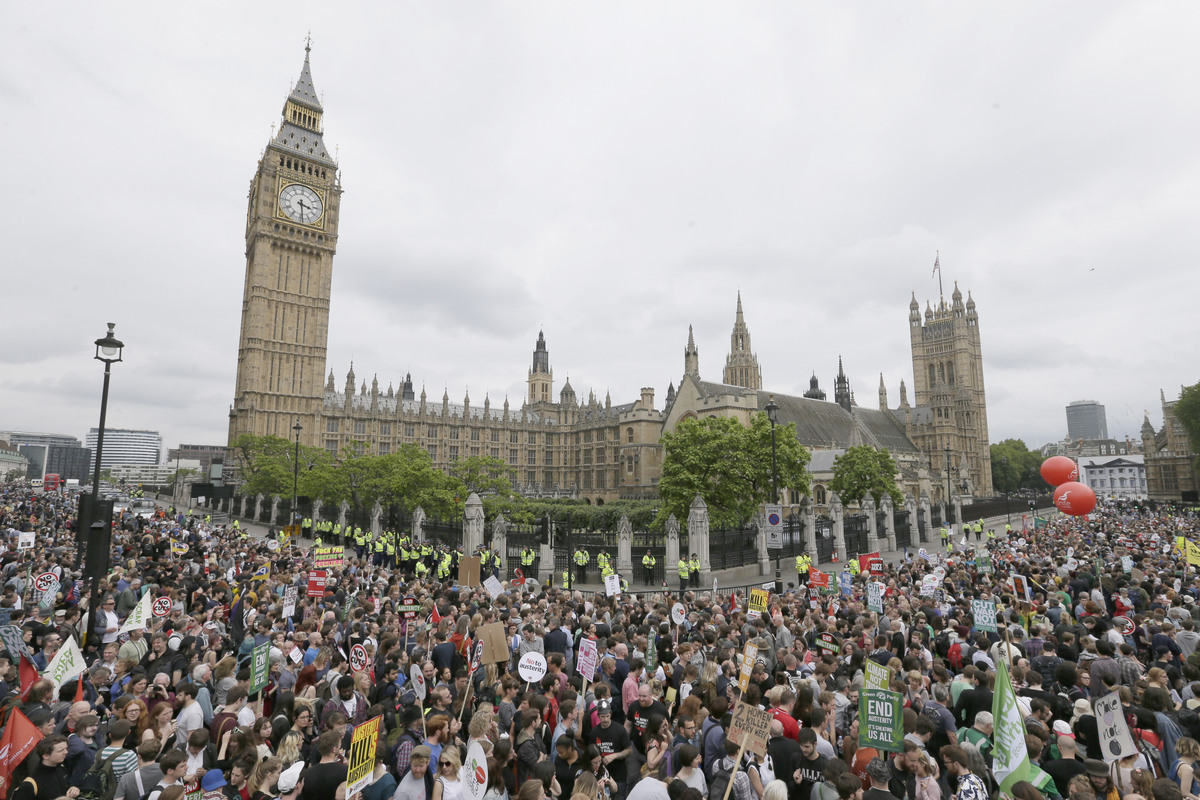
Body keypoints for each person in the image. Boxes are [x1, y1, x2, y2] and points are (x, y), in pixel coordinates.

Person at [11, 735, 77, 800]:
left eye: (66, 748)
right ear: (46, 756)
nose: (66, 752)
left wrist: (72, 789)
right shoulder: (30, 784)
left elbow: (65, 786)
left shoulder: (61, 768)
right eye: (60, 750)